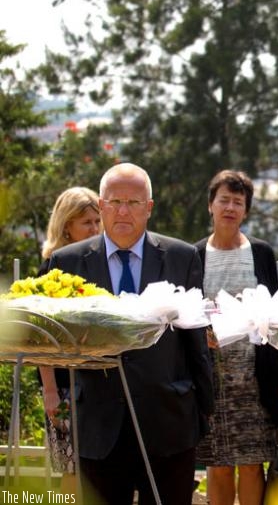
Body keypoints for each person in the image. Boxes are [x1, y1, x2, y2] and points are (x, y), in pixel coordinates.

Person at [43, 163, 214, 505]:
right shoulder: (67, 262)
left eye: (134, 203)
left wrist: (203, 409)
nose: (123, 211)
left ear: (149, 208)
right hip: (98, 424)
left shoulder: (182, 257)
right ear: (101, 205)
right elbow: (54, 343)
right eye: (115, 201)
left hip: (169, 423)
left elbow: (196, 341)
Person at [194, 170, 278, 505]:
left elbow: (275, 317)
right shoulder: (194, 254)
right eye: (224, 200)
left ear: (246, 211)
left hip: (255, 377)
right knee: (218, 466)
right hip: (212, 379)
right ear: (211, 205)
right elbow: (186, 313)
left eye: (238, 202)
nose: (230, 208)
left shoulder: (261, 252)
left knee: (252, 465)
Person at [39, 186, 101, 493]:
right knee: (71, 472)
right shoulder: (52, 267)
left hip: (98, 383)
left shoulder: (102, 264)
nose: (94, 228)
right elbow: (39, 337)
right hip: (63, 386)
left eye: (96, 221)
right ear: (67, 226)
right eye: (86, 222)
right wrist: (50, 390)